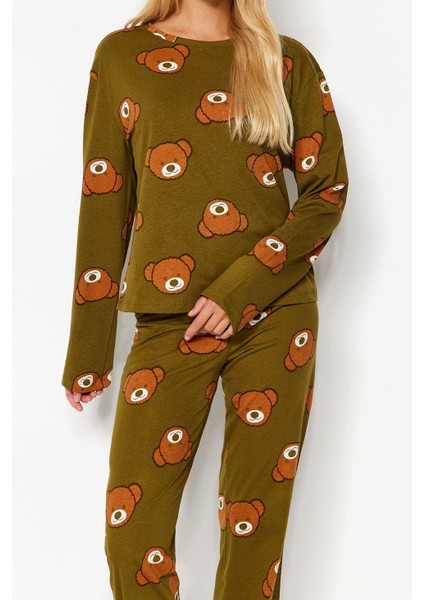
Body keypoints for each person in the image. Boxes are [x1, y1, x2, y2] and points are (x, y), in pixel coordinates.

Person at [61, 0, 349, 598]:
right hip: (168, 318)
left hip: (275, 312)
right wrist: (88, 351)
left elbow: (327, 192)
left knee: (252, 531)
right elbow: (104, 199)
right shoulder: (123, 55)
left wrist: (241, 288)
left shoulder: (284, 60)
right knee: (132, 538)